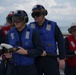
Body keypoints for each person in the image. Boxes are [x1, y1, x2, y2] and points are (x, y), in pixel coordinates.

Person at [28, 4, 66, 75]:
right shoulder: (30, 27)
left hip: (50, 58)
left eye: (37, 14)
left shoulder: (53, 25)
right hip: (35, 59)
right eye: (33, 15)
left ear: (43, 14)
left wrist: (62, 58)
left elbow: (61, 41)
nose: (35, 17)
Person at [4, 10, 43, 75]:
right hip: (13, 68)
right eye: (14, 19)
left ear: (24, 20)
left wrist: (26, 52)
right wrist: (7, 56)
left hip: (28, 68)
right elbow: (6, 47)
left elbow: (40, 49)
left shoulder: (33, 32)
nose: (15, 22)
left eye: (18, 19)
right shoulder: (10, 33)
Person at [0, 11, 14, 75]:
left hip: (16, 58)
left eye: (11, 19)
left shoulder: (21, 30)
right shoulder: (3, 29)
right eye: (8, 19)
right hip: (5, 57)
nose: (10, 21)